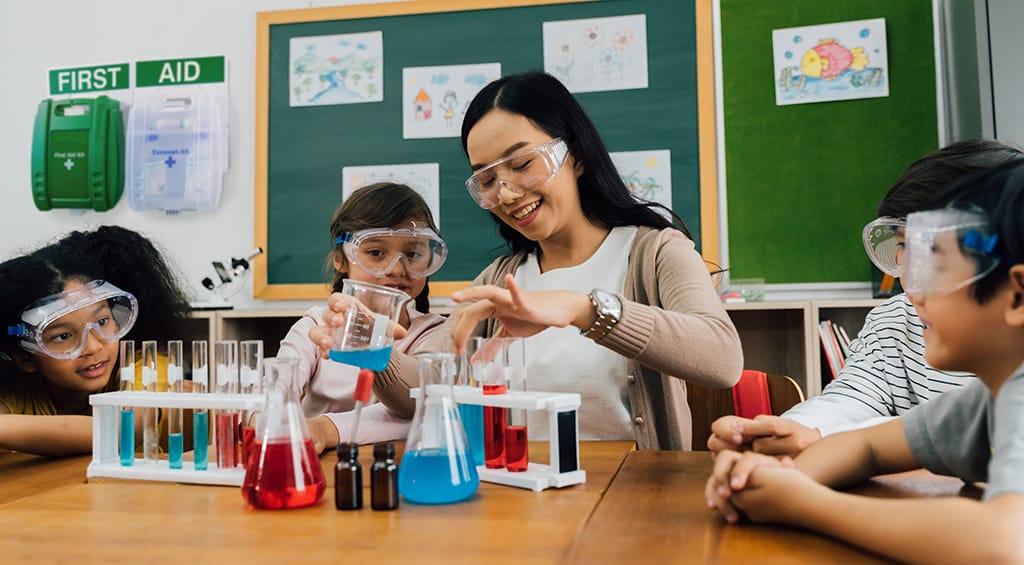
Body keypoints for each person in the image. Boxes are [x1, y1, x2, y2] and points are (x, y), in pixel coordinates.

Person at [308, 71, 742, 450]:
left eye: (521, 164)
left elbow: (722, 361)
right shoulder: (502, 278)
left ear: (574, 155)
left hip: (628, 498)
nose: (507, 193)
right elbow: (419, 390)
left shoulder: (656, 252)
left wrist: (584, 309)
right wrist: (374, 349)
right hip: (514, 497)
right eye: (488, 179)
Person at [705, 159, 1024, 564]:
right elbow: (864, 445)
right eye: (905, 250)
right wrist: (772, 479)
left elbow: (1003, 545)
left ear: (1016, 296)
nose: (913, 288)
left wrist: (806, 504)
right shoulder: (985, 402)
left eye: (937, 265)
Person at [708, 139, 1024, 457]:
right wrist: (795, 432)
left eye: (936, 257)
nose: (912, 287)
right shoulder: (896, 320)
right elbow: (853, 401)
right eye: (903, 248)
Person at [281, 182, 448, 452]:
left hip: (402, 468)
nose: (396, 269)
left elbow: (423, 409)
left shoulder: (435, 333)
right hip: (318, 464)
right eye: (375, 252)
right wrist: (262, 414)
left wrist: (326, 428)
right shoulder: (316, 326)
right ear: (340, 259)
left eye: (413, 254)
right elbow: (275, 388)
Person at [0, 226, 192, 456]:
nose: (93, 347)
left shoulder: (144, 367)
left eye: (101, 322)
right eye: (63, 336)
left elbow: (125, 429)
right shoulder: (17, 393)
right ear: (25, 359)